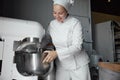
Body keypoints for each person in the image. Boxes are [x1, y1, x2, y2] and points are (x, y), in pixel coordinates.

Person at [42, 0, 91, 80]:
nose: (57, 16)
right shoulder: (52, 24)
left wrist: (57, 53)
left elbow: (77, 46)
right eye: (54, 13)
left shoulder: (75, 23)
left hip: (78, 65)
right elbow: (47, 40)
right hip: (62, 65)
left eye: (60, 13)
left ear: (67, 11)